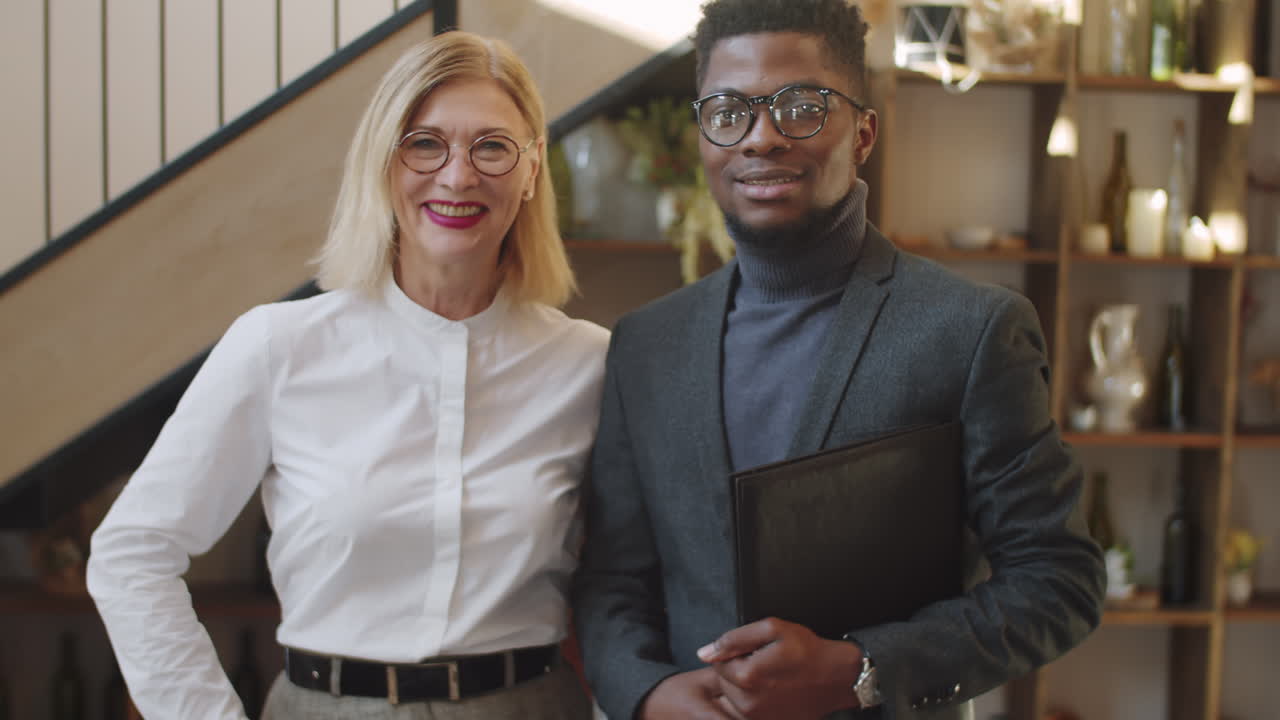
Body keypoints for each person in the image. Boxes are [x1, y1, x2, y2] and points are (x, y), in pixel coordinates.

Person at [571, 1, 1107, 719]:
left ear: (864, 132)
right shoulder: (644, 344)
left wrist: (864, 669)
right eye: (728, 111)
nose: (760, 138)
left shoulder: (971, 330)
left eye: (800, 107)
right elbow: (612, 581)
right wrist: (649, 692)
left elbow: (1059, 577)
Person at [88, 30, 607, 720]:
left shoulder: (590, 363)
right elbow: (133, 551)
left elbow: (638, 580)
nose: (458, 176)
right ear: (381, 163)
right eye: (425, 144)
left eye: (492, 146)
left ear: (533, 167)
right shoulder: (278, 345)